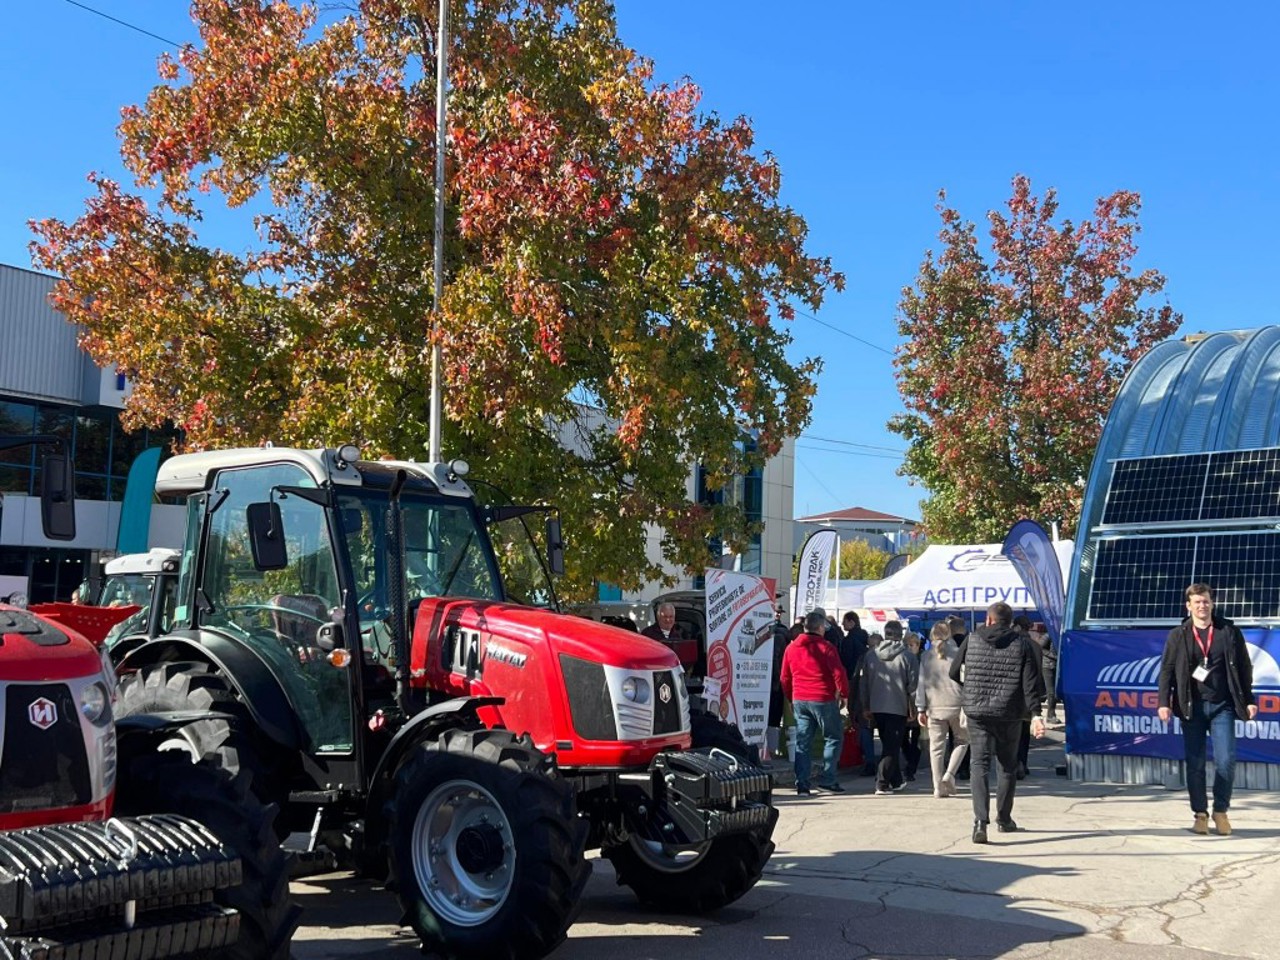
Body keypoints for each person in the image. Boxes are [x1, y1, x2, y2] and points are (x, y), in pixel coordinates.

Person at [1156, 583, 1257, 836]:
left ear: (1212, 603)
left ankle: (1220, 811)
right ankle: (1200, 814)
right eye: (1197, 602)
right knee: (1196, 763)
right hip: (1192, 707)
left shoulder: (1228, 632)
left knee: (1226, 761)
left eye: (1206, 601)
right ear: (1188, 606)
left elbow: (1244, 667)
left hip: (1223, 706)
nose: (1202, 606)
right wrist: (1163, 703)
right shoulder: (1178, 635)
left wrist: (1249, 699)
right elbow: (1166, 671)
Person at [950, 601, 1045, 843]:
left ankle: (980, 821)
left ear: (989, 619)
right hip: (1009, 712)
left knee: (979, 765)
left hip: (977, 711)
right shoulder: (1022, 643)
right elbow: (1030, 683)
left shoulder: (971, 639)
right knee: (1007, 767)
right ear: (1010, 621)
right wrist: (1036, 714)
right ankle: (1004, 819)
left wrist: (969, 687)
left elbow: (953, 672)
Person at [781, 610, 849, 796]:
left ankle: (802, 784)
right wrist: (843, 694)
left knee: (803, 743)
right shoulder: (826, 647)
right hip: (823, 698)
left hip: (800, 699)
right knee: (833, 737)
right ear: (820, 628)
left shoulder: (791, 648)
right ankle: (827, 779)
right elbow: (839, 673)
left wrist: (790, 697)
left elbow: (785, 677)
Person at [859, 620, 917, 795]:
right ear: (901, 635)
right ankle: (882, 783)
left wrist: (865, 705)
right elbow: (913, 686)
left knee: (888, 743)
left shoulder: (871, 655)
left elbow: (864, 683)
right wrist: (914, 708)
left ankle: (896, 780)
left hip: (876, 705)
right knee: (892, 746)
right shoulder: (908, 657)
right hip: (898, 706)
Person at [917, 621, 968, 798]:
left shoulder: (925, 656)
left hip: (933, 706)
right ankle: (950, 774)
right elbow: (966, 681)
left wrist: (920, 708)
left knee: (936, 748)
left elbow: (921, 684)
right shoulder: (960, 653)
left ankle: (937, 786)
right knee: (961, 742)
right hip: (957, 704)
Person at [842, 611, 874, 776]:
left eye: (845, 621)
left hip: (858, 689)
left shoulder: (850, 642)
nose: (842, 624)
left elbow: (849, 668)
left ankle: (869, 761)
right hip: (880, 696)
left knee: (863, 727)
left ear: (852, 622)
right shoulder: (863, 640)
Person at [766, 606, 792, 759]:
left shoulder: (779, 634)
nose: (777, 614)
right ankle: (772, 748)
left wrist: (777, 680)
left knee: (773, 716)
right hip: (776, 680)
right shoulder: (783, 634)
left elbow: (777, 660)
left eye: (779, 612)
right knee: (774, 716)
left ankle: (771, 748)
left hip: (773, 681)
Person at [901, 631, 924, 780]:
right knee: (903, 738)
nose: (910, 648)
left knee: (917, 738)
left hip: (919, 702)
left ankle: (911, 768)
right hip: (904, 703)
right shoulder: (902, 659)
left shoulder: (923, 659)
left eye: (912, 645)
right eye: (907, 645)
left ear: (918, 645)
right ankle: (909, 759)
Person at [1031, 622, 1060, 725]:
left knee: (1055, 692)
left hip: (1057, 666)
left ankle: (1051, 714)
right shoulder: (1048, 636)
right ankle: (1050, 715)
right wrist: (1053, 656)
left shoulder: (1060, 636)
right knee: (1051, 692)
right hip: (1048, 666)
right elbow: (1040, 648)